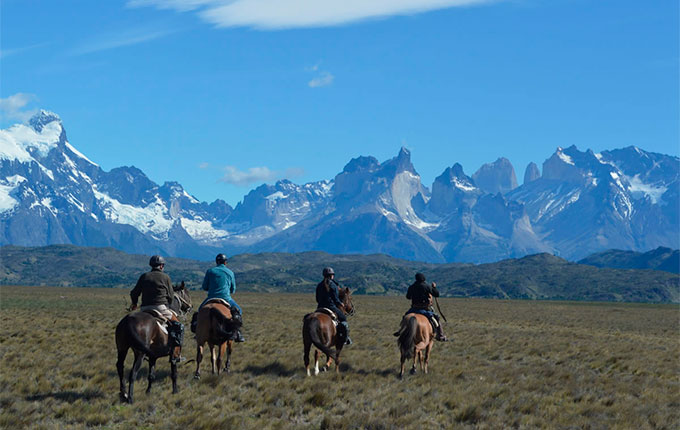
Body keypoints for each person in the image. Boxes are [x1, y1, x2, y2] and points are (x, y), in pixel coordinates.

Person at [130, 255, 185, 355]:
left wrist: (134, 304)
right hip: (160, 308)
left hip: (144, 309)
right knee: (178, 326)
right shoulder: (165, 277)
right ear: (161, 266)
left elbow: (134, 293)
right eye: (163, 265)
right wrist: (168, 303)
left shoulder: (144, 276)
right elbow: (171, 296)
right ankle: (176, 354)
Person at [196, 253, 245, 342]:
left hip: (211, 298)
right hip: (226, 298)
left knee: (199, 311)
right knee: (239, 311)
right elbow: (233, 289)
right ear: (225, 262)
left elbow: (204, 287)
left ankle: (197, 331)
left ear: (217, 262)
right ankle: (237, 333)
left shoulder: (210, 271)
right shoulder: (230, 272)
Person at [395, 272, 448, 341]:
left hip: (414, 308)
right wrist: (434, 287)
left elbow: (408, 297)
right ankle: (441, 335)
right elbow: (436, 294)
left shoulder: (412, 287)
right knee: (436, 318)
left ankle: (401, 331)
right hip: (425, 309)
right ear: (423, 279)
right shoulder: (427, 286)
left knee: (405, 317)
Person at [316, 267, 352, 345]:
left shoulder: (319, 285)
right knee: (343, 318)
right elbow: (335, 298)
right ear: (331, 276)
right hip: (330, 306)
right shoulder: (333, 285)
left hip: (320, 307)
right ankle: (345, 338)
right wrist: (340, 303)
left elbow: (317, 299)